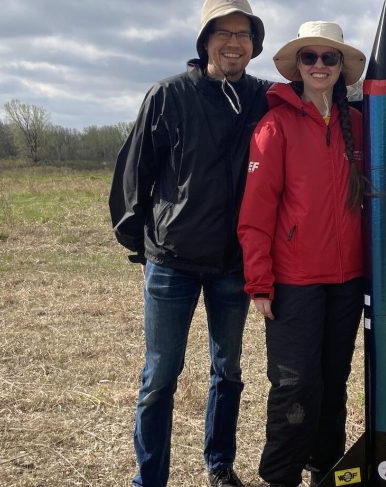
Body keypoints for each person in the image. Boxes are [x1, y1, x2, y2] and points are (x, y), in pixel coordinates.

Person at [108, 0, 271, 485]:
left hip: (233, 264)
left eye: (243, 33)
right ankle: (149, 478)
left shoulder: (265, 97)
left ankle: (219, 466)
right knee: (160, 377)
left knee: (229, 371)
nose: (233, 42)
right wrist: (141, 246)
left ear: (254, 44)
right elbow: (134, 175)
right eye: (223, 32)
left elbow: (326, 92)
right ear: (204, 42)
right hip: (172, 263)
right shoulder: (168, 95)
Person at [237, 21, 368, 487]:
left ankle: (327, 473)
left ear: (340, 68)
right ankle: (280, 476)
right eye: (309, 58)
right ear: (297, 66)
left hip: (349, 281)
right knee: (295, 386)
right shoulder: (275, 125)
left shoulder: (357, 125)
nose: (319, 65)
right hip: (294, 282)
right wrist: (259, 283)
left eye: (328, 58)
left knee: (334, 387)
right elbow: (255, 213)